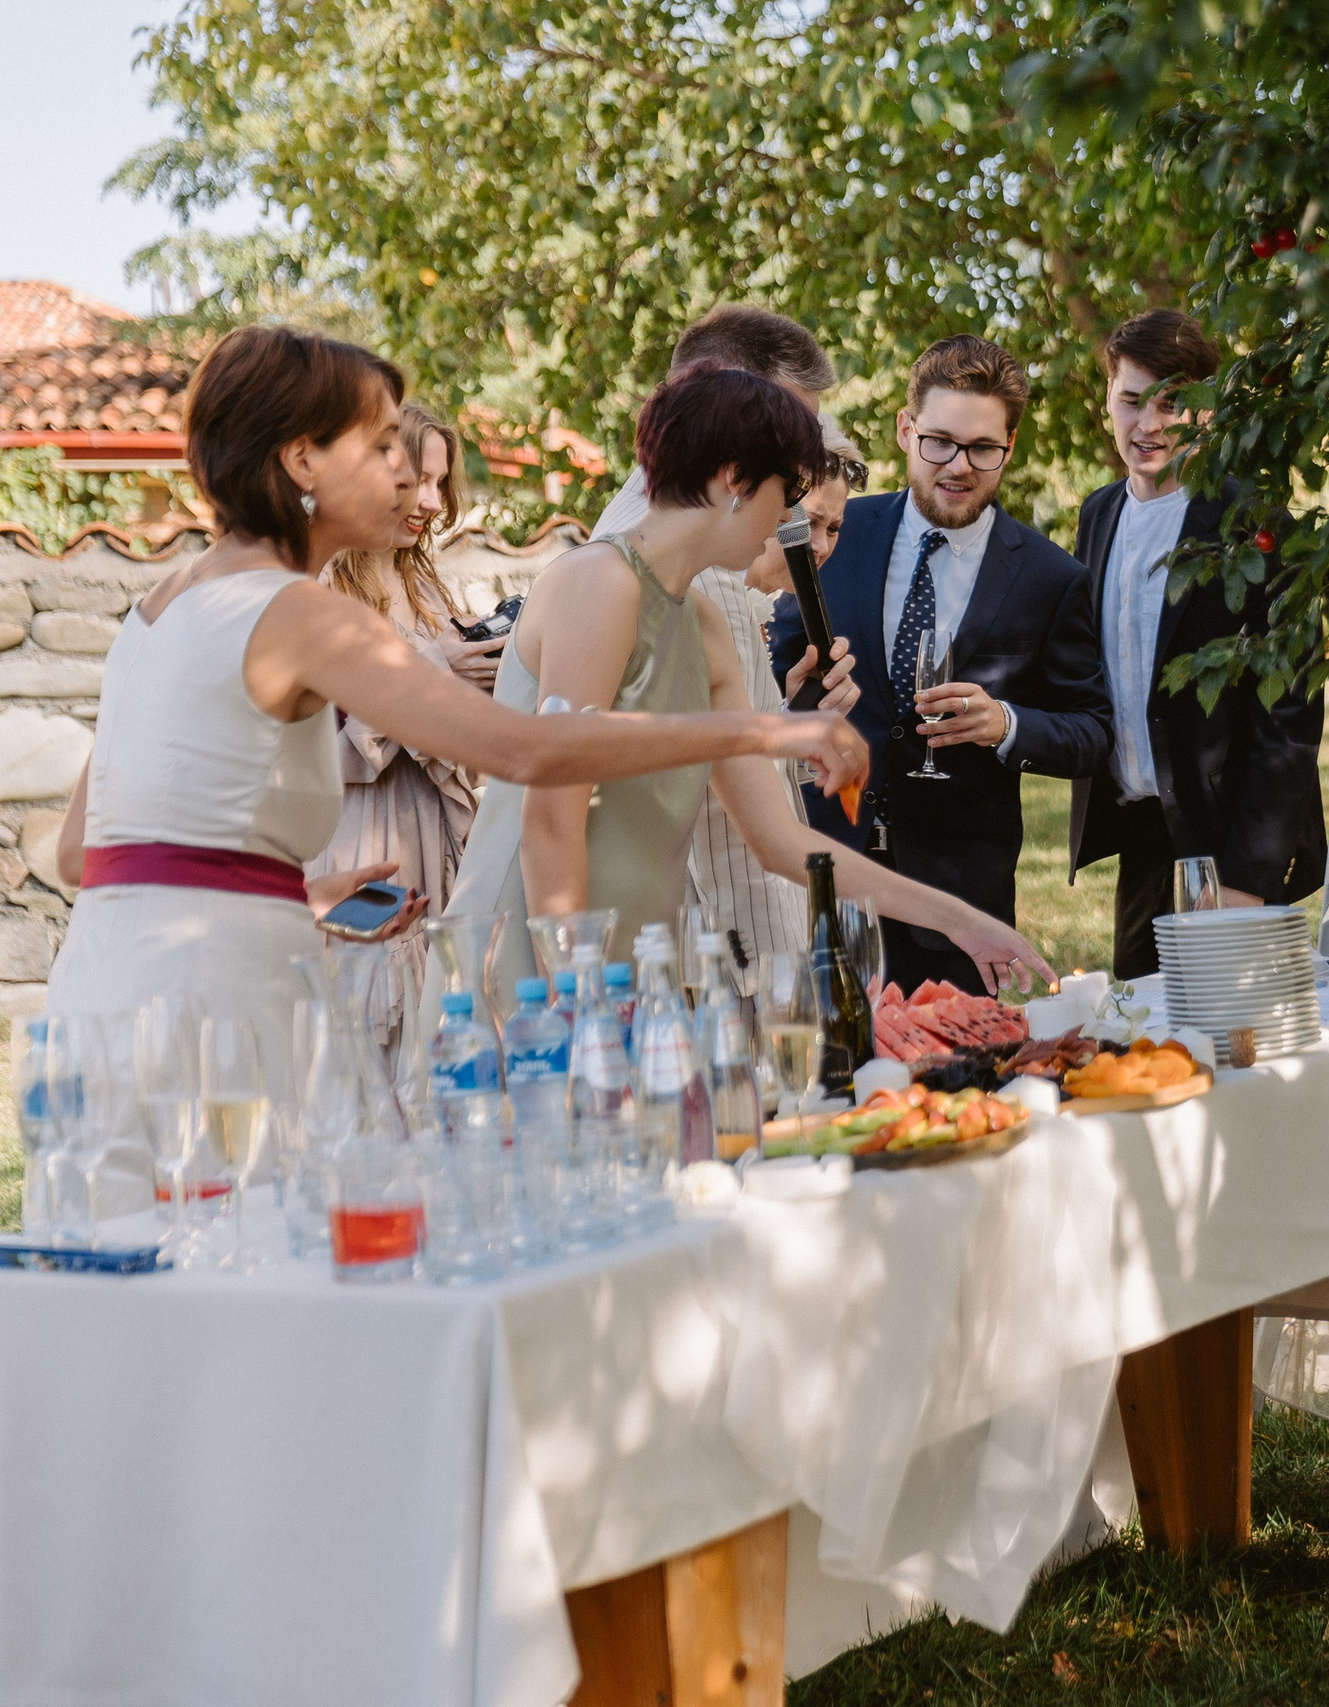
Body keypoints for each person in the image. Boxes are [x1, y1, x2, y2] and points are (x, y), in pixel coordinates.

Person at [46, 325, 867, 1173]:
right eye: (379, 446)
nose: (407, 473)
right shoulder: (300, 611)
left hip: (99, 997)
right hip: (214, 1009)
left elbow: (84, 852)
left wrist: (292, 893)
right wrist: (768, 729)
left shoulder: (157, 607)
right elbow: (526, 749)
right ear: (301, 460)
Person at [451, 363, 1050, 994]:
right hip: (533, 971)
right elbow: (550, 823)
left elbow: (780, 841)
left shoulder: (703, 621)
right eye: (787, 493)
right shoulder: (598, 583)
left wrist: (961, 922)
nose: (789, 520)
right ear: (736, 480)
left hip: (626, 974)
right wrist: (575, 998)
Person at [770, 335, 1112, 992]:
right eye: (940, 442)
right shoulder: (832, 531)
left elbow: (1092, 732)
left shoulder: (1051, 578)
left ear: (1009, 446)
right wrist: (796, 704)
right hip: (826, 877)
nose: (959, 466)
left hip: (961, 907)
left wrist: (1006, 723)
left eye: (983, 448)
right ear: (906, 430)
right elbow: (781, 671)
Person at [1068, 310, 1326, 977]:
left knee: (1238, 1031)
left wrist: (1246, 876)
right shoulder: (1097, 515)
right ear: (1107, 400)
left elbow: (1291, 718)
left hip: (1227, 836)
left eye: (1172, 404)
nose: (1149, 424)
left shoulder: (1258, 523)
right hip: (1140, 834)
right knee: (1139, 1028)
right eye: (1131, 401)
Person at [595, 305, 845, 969]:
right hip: (707, 946)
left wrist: (789, 717)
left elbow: (704, 746)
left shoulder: (645, 529)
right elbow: (731, 835)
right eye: (787, 444)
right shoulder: (696, 569)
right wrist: (779, 973)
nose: (799, 484)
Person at [310, 401, 503, 1049]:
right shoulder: (325, 589)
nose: (431, 501)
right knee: (374, 1033)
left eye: (440, 483)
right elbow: (328, 745)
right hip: (366, 840)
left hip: (440, 840)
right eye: (419, 480)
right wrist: (436, 668)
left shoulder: (430, 592)